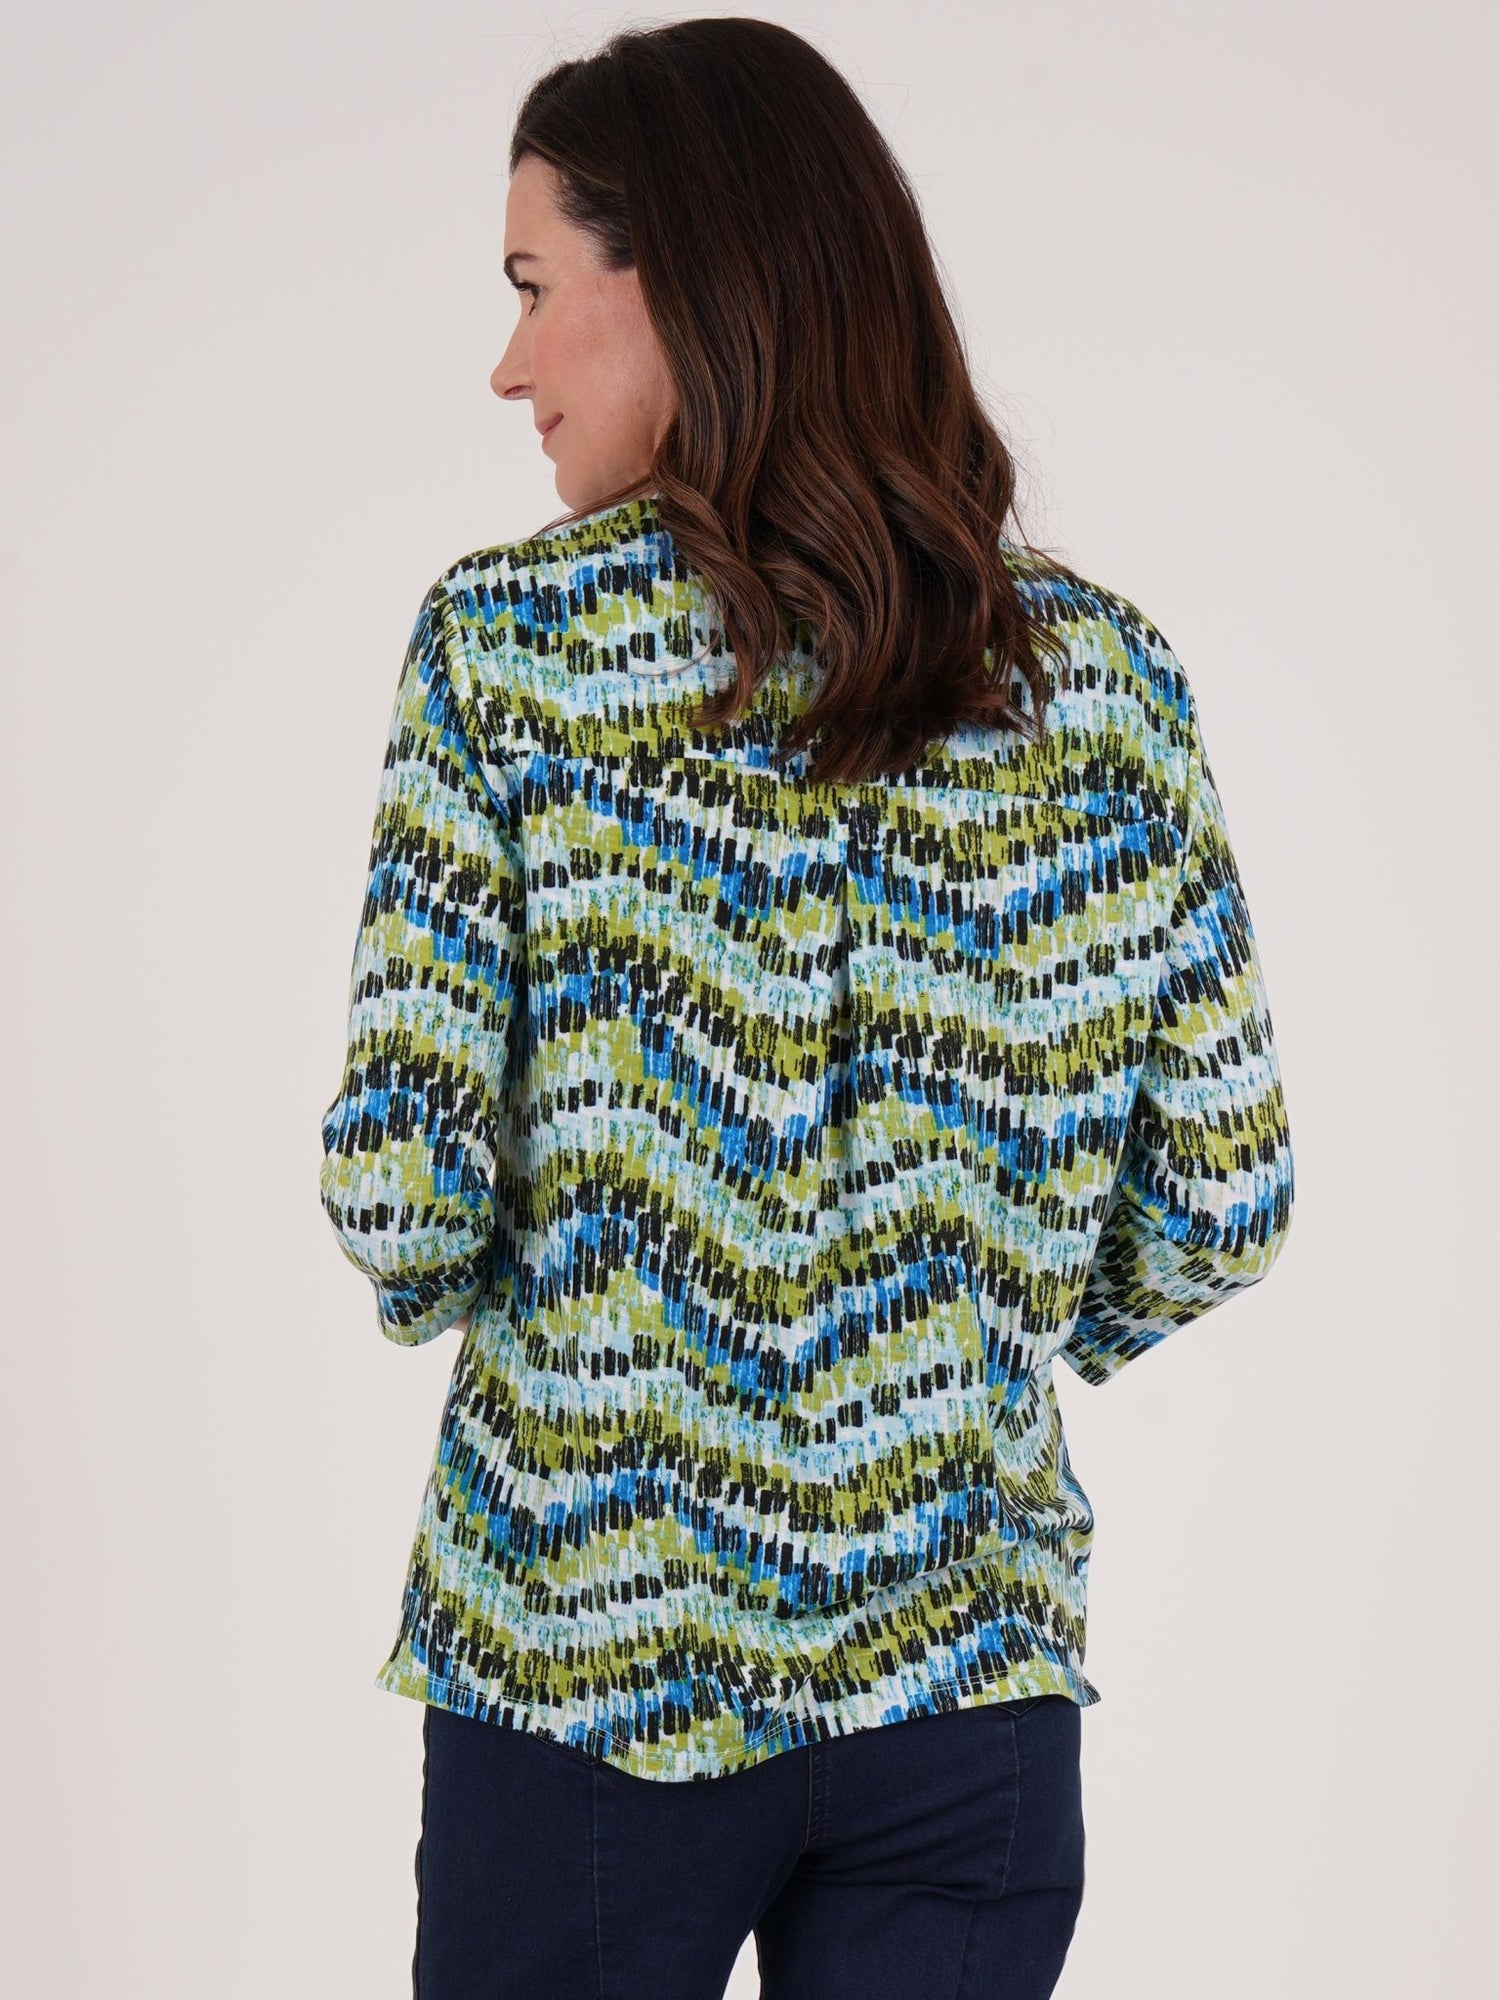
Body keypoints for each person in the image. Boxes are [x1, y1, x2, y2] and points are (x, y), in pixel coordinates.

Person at [316, 18, 1295, 1999]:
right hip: (968, 1690)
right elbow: (1225, 1197)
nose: (508, 363)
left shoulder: (508, 654)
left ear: (684, 280)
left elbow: (407, 1198)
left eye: (533, 288)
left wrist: (515, 1311)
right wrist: (974, 1333)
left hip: (592, 1668)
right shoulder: (1102, 681)